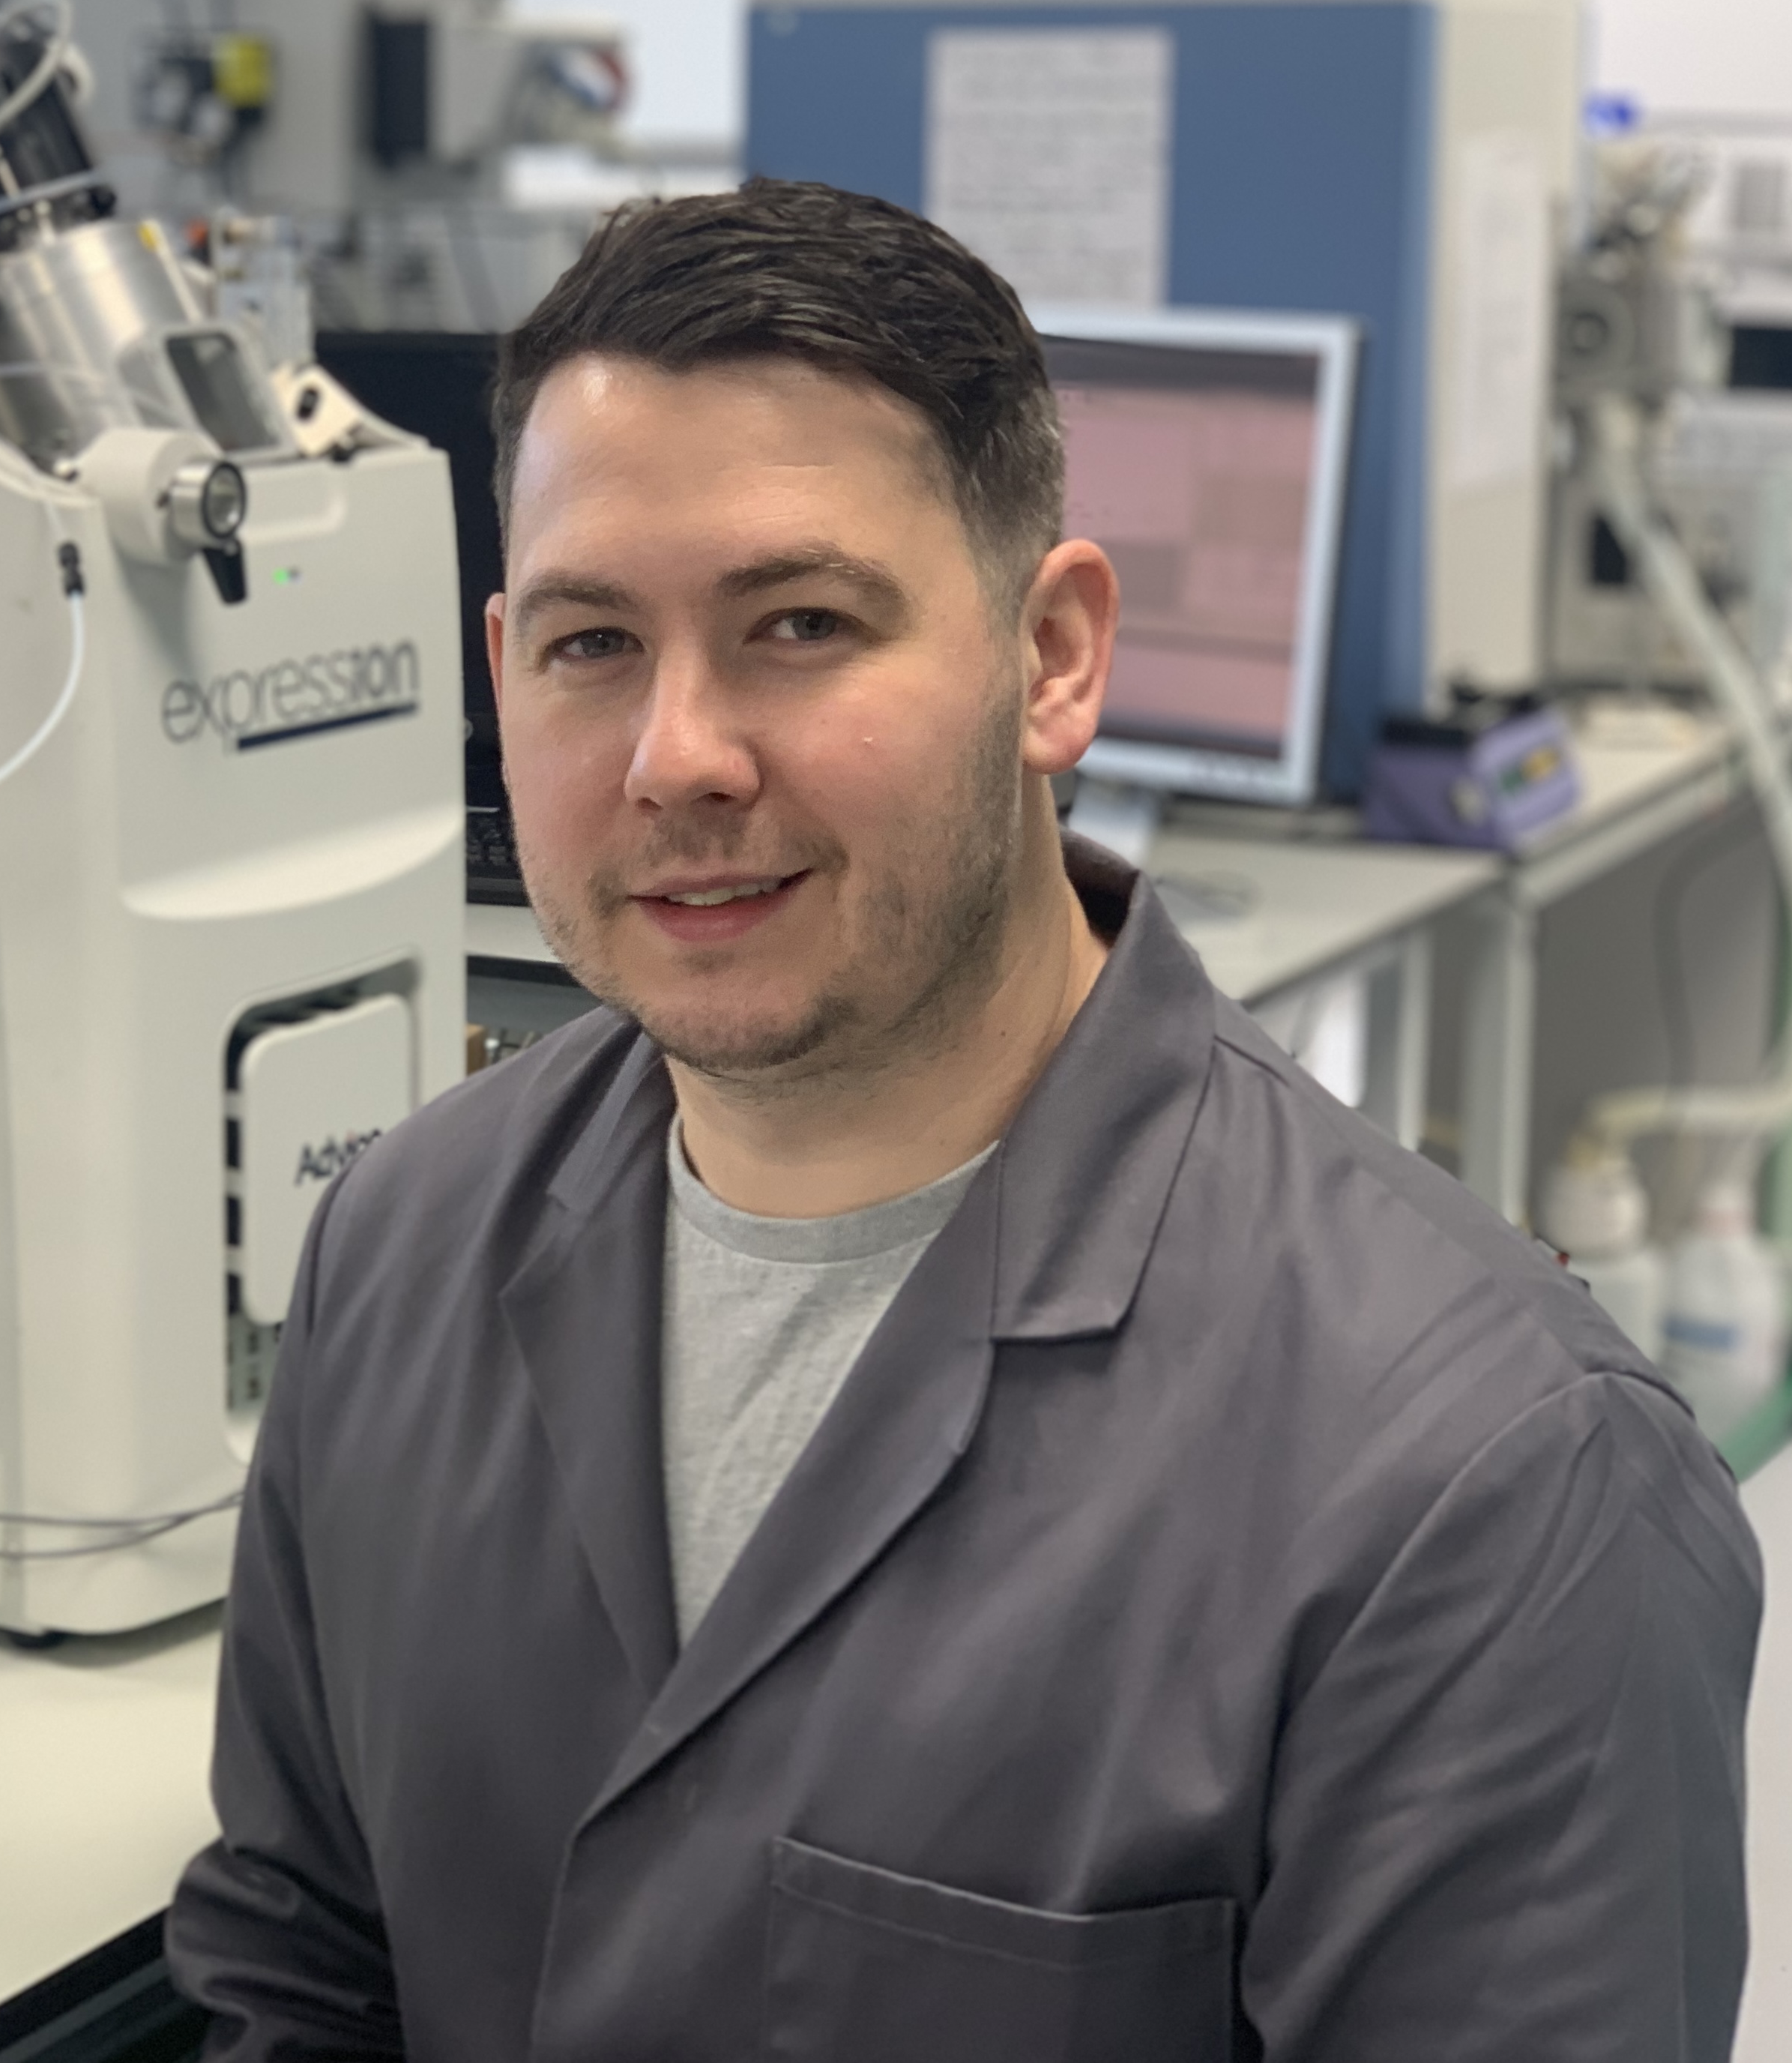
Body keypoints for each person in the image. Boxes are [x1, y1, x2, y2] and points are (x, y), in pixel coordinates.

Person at [166, 180, 1762, 2061]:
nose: (679, 756)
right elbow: (299, 1964)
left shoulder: (1489, 1482)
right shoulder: (401, 1247)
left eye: (802, 621)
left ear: (1057, 655)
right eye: (593, 644)